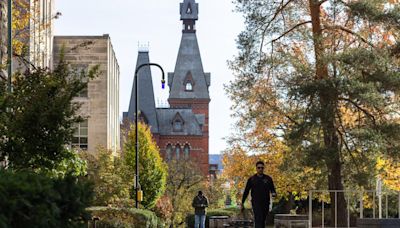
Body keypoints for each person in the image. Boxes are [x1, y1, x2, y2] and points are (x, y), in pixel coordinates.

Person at [241, 161, 276, 228]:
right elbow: (246, 191)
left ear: (263, 168)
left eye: (262, 168)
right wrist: (242, 202)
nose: (260, 169)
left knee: (262, 220)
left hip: (266, 203)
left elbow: (272, 189)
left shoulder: (268, 179)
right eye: (259, 167)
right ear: (256, 168)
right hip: (256, 203)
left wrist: (273, 193)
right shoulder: (251, 179)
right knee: (258, 219)